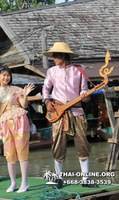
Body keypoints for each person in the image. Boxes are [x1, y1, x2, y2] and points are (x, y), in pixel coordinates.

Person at [42, 42, 98, 188]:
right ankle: (59, 178)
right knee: (58, 144)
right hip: (58, 112)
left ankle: (86, 179)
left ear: (63, 56)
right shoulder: (51, 71)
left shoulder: (79, 70)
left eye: (55, 55)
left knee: (82, 143)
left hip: (77, 111)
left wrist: (85, 97)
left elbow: (83, 91)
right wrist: (47, 101)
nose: (53, 58)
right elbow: (45, 88)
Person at [0, 67, 34, 193]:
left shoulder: (16, 89)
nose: (6, 77)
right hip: (5, 122)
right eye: (4, 75)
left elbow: (24, 105)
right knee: (9, 153)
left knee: (22, 151)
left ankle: (24, 182)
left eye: (8, 75)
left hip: (19, 119)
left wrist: (25, 95)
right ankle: (13, 182)